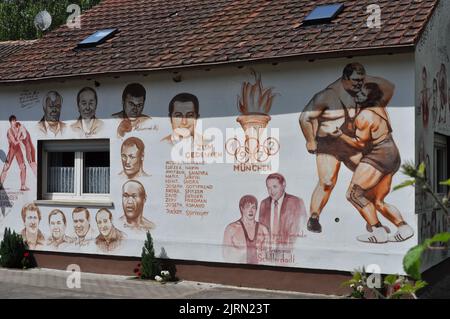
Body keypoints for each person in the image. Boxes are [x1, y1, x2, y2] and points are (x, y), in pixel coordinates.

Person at [299, 62, 395, 233]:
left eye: (361, 80)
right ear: (344, 78)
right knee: (327, 182)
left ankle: (371, 221)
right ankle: (314, 217)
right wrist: (310, 141)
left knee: (367, 179)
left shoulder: (360, 93)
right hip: (328, 144)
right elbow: (304, 118)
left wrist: (365, 78)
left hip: (350, 144)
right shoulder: (328, 95)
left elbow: (389, 87)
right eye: (355, 80)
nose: (359, 84)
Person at [328, 83, 414, 243]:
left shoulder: (365, 116)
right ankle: (404, 228)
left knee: (354, 194)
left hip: (379, 154)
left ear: (370, 98)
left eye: (362, 94)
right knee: (377, 201)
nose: (357, 95)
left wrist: (340, 134)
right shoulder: (381, 108)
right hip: (392, 153)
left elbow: (359, 143)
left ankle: (378, 232)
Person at [258, 173, 306, 253]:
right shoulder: (264, 204)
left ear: (283, 185)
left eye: (275, 187)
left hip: (290, 252)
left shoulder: (296, 202)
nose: (271, 191)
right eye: (268, 188)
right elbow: (261, 231)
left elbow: (302, 228)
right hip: (268, 253)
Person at [223, 195, 269, 264]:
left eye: (253, 207)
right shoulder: (231, 229)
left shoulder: (263, 229)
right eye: (247, 207)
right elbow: (226, 255)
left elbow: (268, 255)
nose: (251, 210)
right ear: (242, 209)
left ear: (256, 209)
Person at [161, 93, 205, 163]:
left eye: (189, 116)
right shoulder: (162, 146)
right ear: (170, 119)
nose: (184, 122)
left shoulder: (206, 146)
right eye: (178, 116)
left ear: (197, 118)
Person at [0, 115, 28, 190]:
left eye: (15, 120)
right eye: (12, 121)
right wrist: (20, 139)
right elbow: (14, 142)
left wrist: (22, 136)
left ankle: (23, 185)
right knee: (6, 167)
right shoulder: (9, 131)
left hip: (18, 150)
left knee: (23, 167)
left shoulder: (18, 128)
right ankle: (0, 184)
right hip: (12, 149)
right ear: (10, 122)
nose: (14, 122)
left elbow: (23, 136)